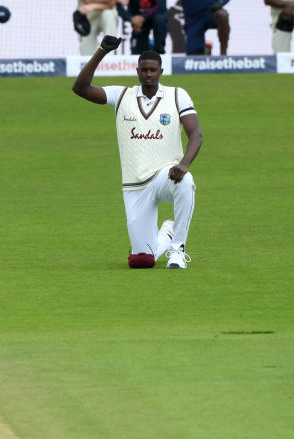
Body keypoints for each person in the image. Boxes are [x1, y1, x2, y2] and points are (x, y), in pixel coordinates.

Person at [72, 38, 202, 269]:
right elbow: (80, 88)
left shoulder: (177, 95)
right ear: (137, 71)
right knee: (141, 261)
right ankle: (168, 233)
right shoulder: (121, 95)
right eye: (144, 70)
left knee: (186, 182)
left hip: (166, 175)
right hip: (135, 185)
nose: (149, 74)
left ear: (161, 71)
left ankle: (178, 250)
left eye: (153, 70)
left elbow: (196, 135)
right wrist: (102, 52)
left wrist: (183, 164)